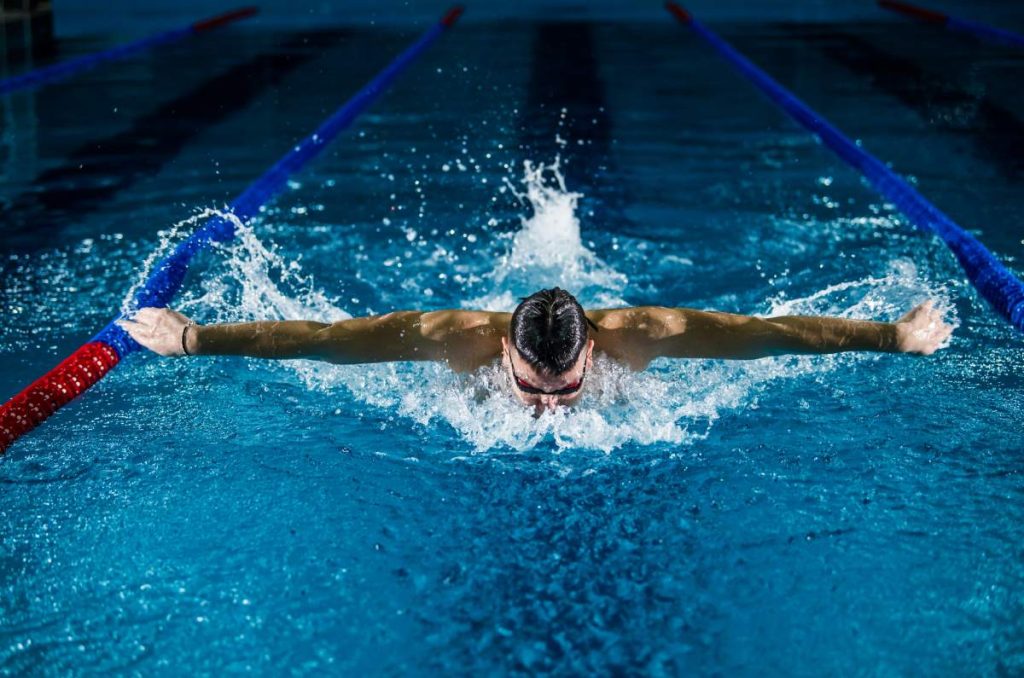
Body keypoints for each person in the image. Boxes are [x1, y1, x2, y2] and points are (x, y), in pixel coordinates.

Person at [118, 287, 952, 414]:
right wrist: (193, 338)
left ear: (594, 345)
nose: (546, 408)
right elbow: (328, 342)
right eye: (531, 386)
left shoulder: (646, 334)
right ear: (504, 353)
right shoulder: (454, 340)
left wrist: (893, 337)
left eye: (563, 388)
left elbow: (772, 335)